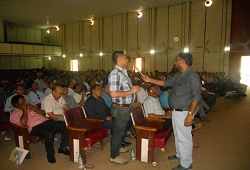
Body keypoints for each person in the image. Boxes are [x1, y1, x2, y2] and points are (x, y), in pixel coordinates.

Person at [143, 52, 201, 170]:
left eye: (176, 60)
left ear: (183, 62)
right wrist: (150, 80)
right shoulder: (179, 74)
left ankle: (186, 164)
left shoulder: (192, 76)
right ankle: (180, 155)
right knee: (178, 136)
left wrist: (190, 115)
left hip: (184, 111)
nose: (175, 62)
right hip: (175, 111)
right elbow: (166, 83)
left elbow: (196, 97)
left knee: (185, 138)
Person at [10, 95, 69, 163]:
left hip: (46, 122)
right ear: (16, 105)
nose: (25, 103)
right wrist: (24, 110)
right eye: (22, 102)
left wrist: (35, 108)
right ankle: (50, 154)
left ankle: (62, 147)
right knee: (49, 133)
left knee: (64, 126)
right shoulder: (14, 114)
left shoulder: (30, 107)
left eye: (25, 100)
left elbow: (43, 114)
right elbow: (23, 122)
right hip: (34, 127)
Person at [108, 51, 140, 165]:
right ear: (119, 59)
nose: (128, 60)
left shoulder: (123, 73)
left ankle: (118, 147)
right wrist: (131, 91)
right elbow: (113, 94)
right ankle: (114, 156)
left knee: (121, 130)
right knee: (118, 132)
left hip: (125, 107)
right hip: (120, 108)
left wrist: (132, 91)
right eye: (126, 58)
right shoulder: (115, 74)